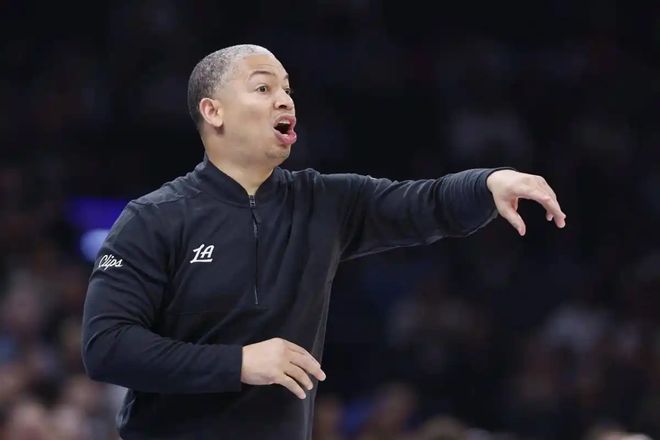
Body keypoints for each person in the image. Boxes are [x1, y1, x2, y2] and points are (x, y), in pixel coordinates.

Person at [81, 44, 566, 439]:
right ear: (213, 111)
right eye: (264, 88)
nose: (285, 100)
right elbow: (106, 346)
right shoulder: (154, 218)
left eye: (287, 89)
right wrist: (238, 362)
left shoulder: (325, 202)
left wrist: (488, 182)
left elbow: (424, 202)